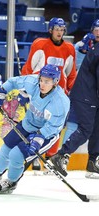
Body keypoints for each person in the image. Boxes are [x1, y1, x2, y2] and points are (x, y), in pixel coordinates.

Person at [0, 64, 70, 194]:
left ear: (55, 82)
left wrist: (39, 138)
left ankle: (11, 182)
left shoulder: (61, 102)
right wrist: (1, 93)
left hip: (46, 135)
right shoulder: (33, 82)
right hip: (27, 124)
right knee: (6, 148)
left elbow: (55, 126)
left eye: (47, 82)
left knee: (16, 155)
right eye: (41, 80)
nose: (42, 84)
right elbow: (13, 82)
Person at [21, 17, 77, 171]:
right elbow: (28, 68)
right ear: (50, 30)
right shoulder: (40, 44)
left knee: (56, 127)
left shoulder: (69, 48)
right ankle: (35, 155)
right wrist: (27, 89)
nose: (59, 32)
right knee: (38, 123)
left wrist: (70, 90)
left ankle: (51, 156)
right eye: (57, 29)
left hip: (59, 95)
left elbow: (70, 73)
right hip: (41, 93)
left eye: (62, 29)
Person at [50, 42, 99, 179]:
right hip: (86, 95)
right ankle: (60, 155)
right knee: (86, 129)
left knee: (97, 129)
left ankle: (92, 162)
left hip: (92, 95)